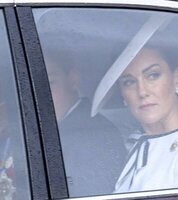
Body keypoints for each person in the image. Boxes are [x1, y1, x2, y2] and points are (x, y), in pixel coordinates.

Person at [112, 45, 178, 193]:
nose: (142, 91)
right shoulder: (137, 146)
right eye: (129, 82)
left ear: (176, 78)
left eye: (153, 75)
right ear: (123, 95)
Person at [44, 47, 126, 197]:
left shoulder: (93, 137)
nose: (39, 95)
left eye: (49, 83)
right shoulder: (58, 129)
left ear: (73, 80)